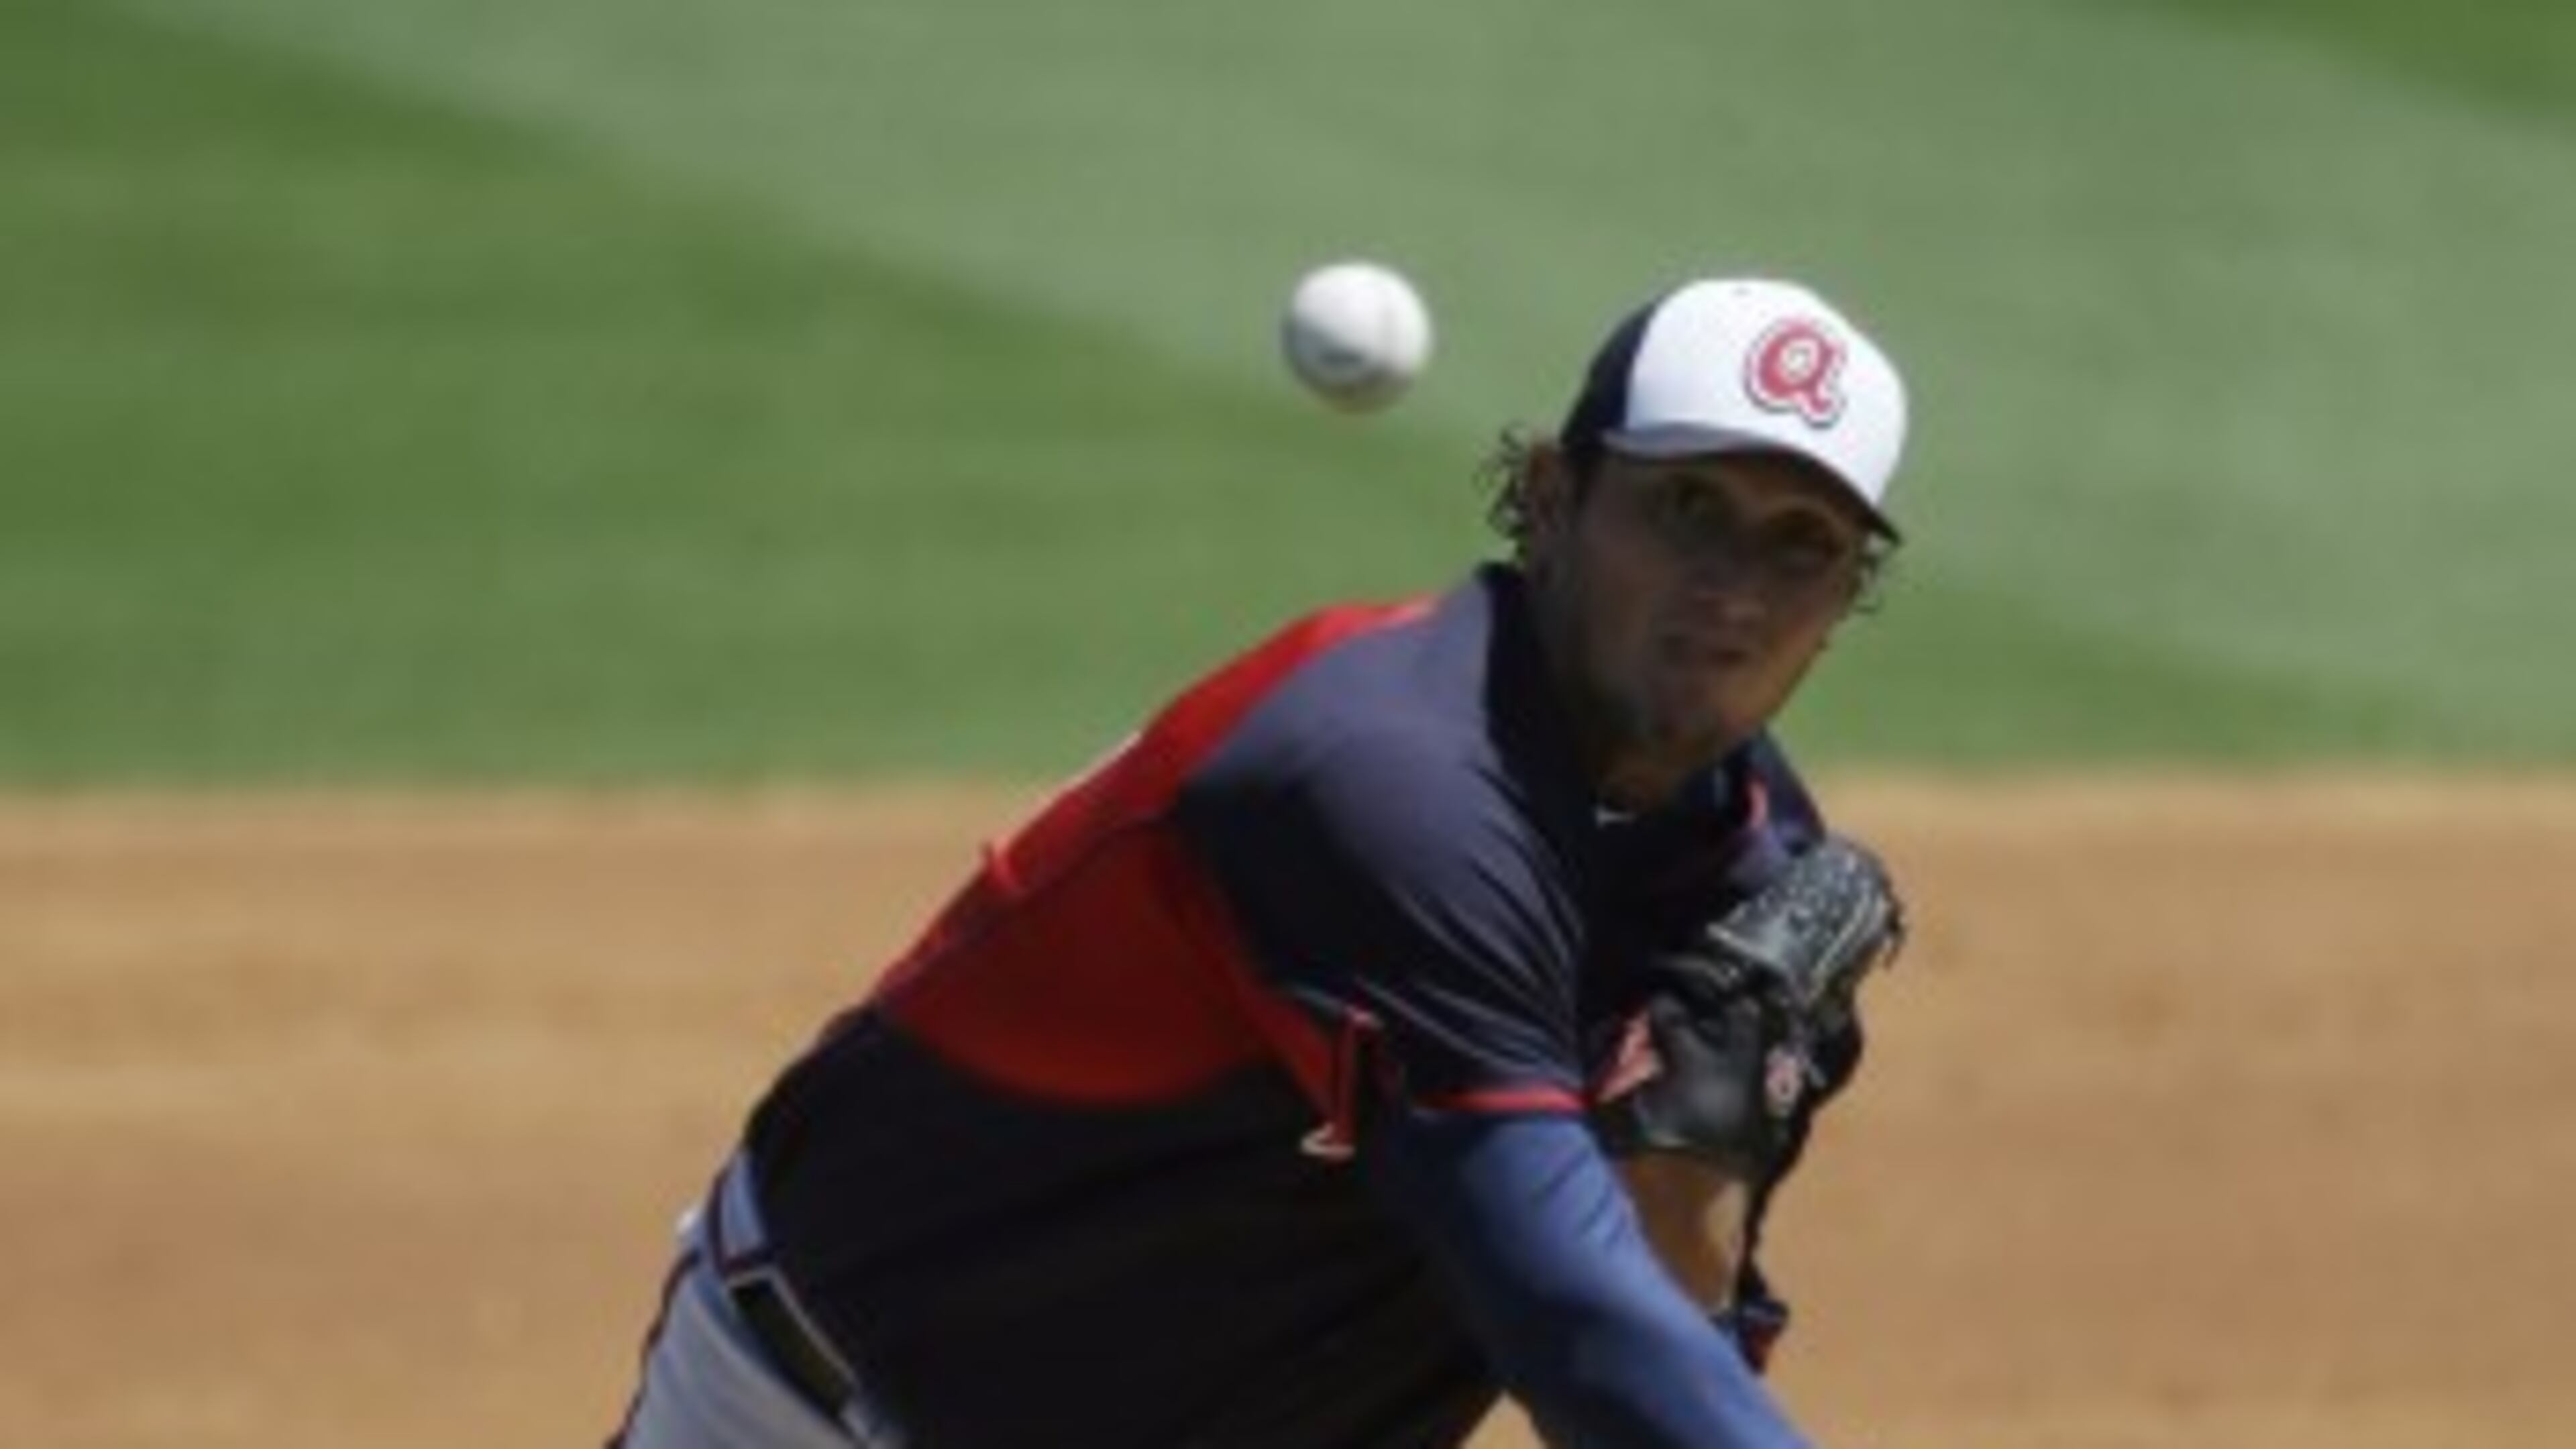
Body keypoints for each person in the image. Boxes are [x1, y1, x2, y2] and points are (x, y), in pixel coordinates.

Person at [606, 274, 1915, 1449]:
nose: (1735, 588)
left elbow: (1658, 1326)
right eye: (1689, 507)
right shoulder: (1389, 778)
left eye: (1801, 542)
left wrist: (1703, 1154)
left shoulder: (1761, 895)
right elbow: (1570, 1320)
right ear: (1554, 498)